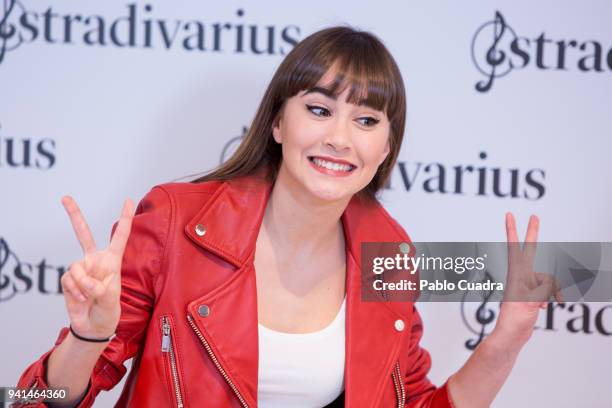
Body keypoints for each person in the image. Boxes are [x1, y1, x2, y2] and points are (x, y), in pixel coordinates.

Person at [14, 26, 562, 408]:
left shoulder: (389, 252)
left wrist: (504, 343)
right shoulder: (173, 221)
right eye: (319, 110)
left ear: (386, 149)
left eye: (367, 120)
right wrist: (87, 340)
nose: (339, 138)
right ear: (278, 124)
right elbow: (30, 400)